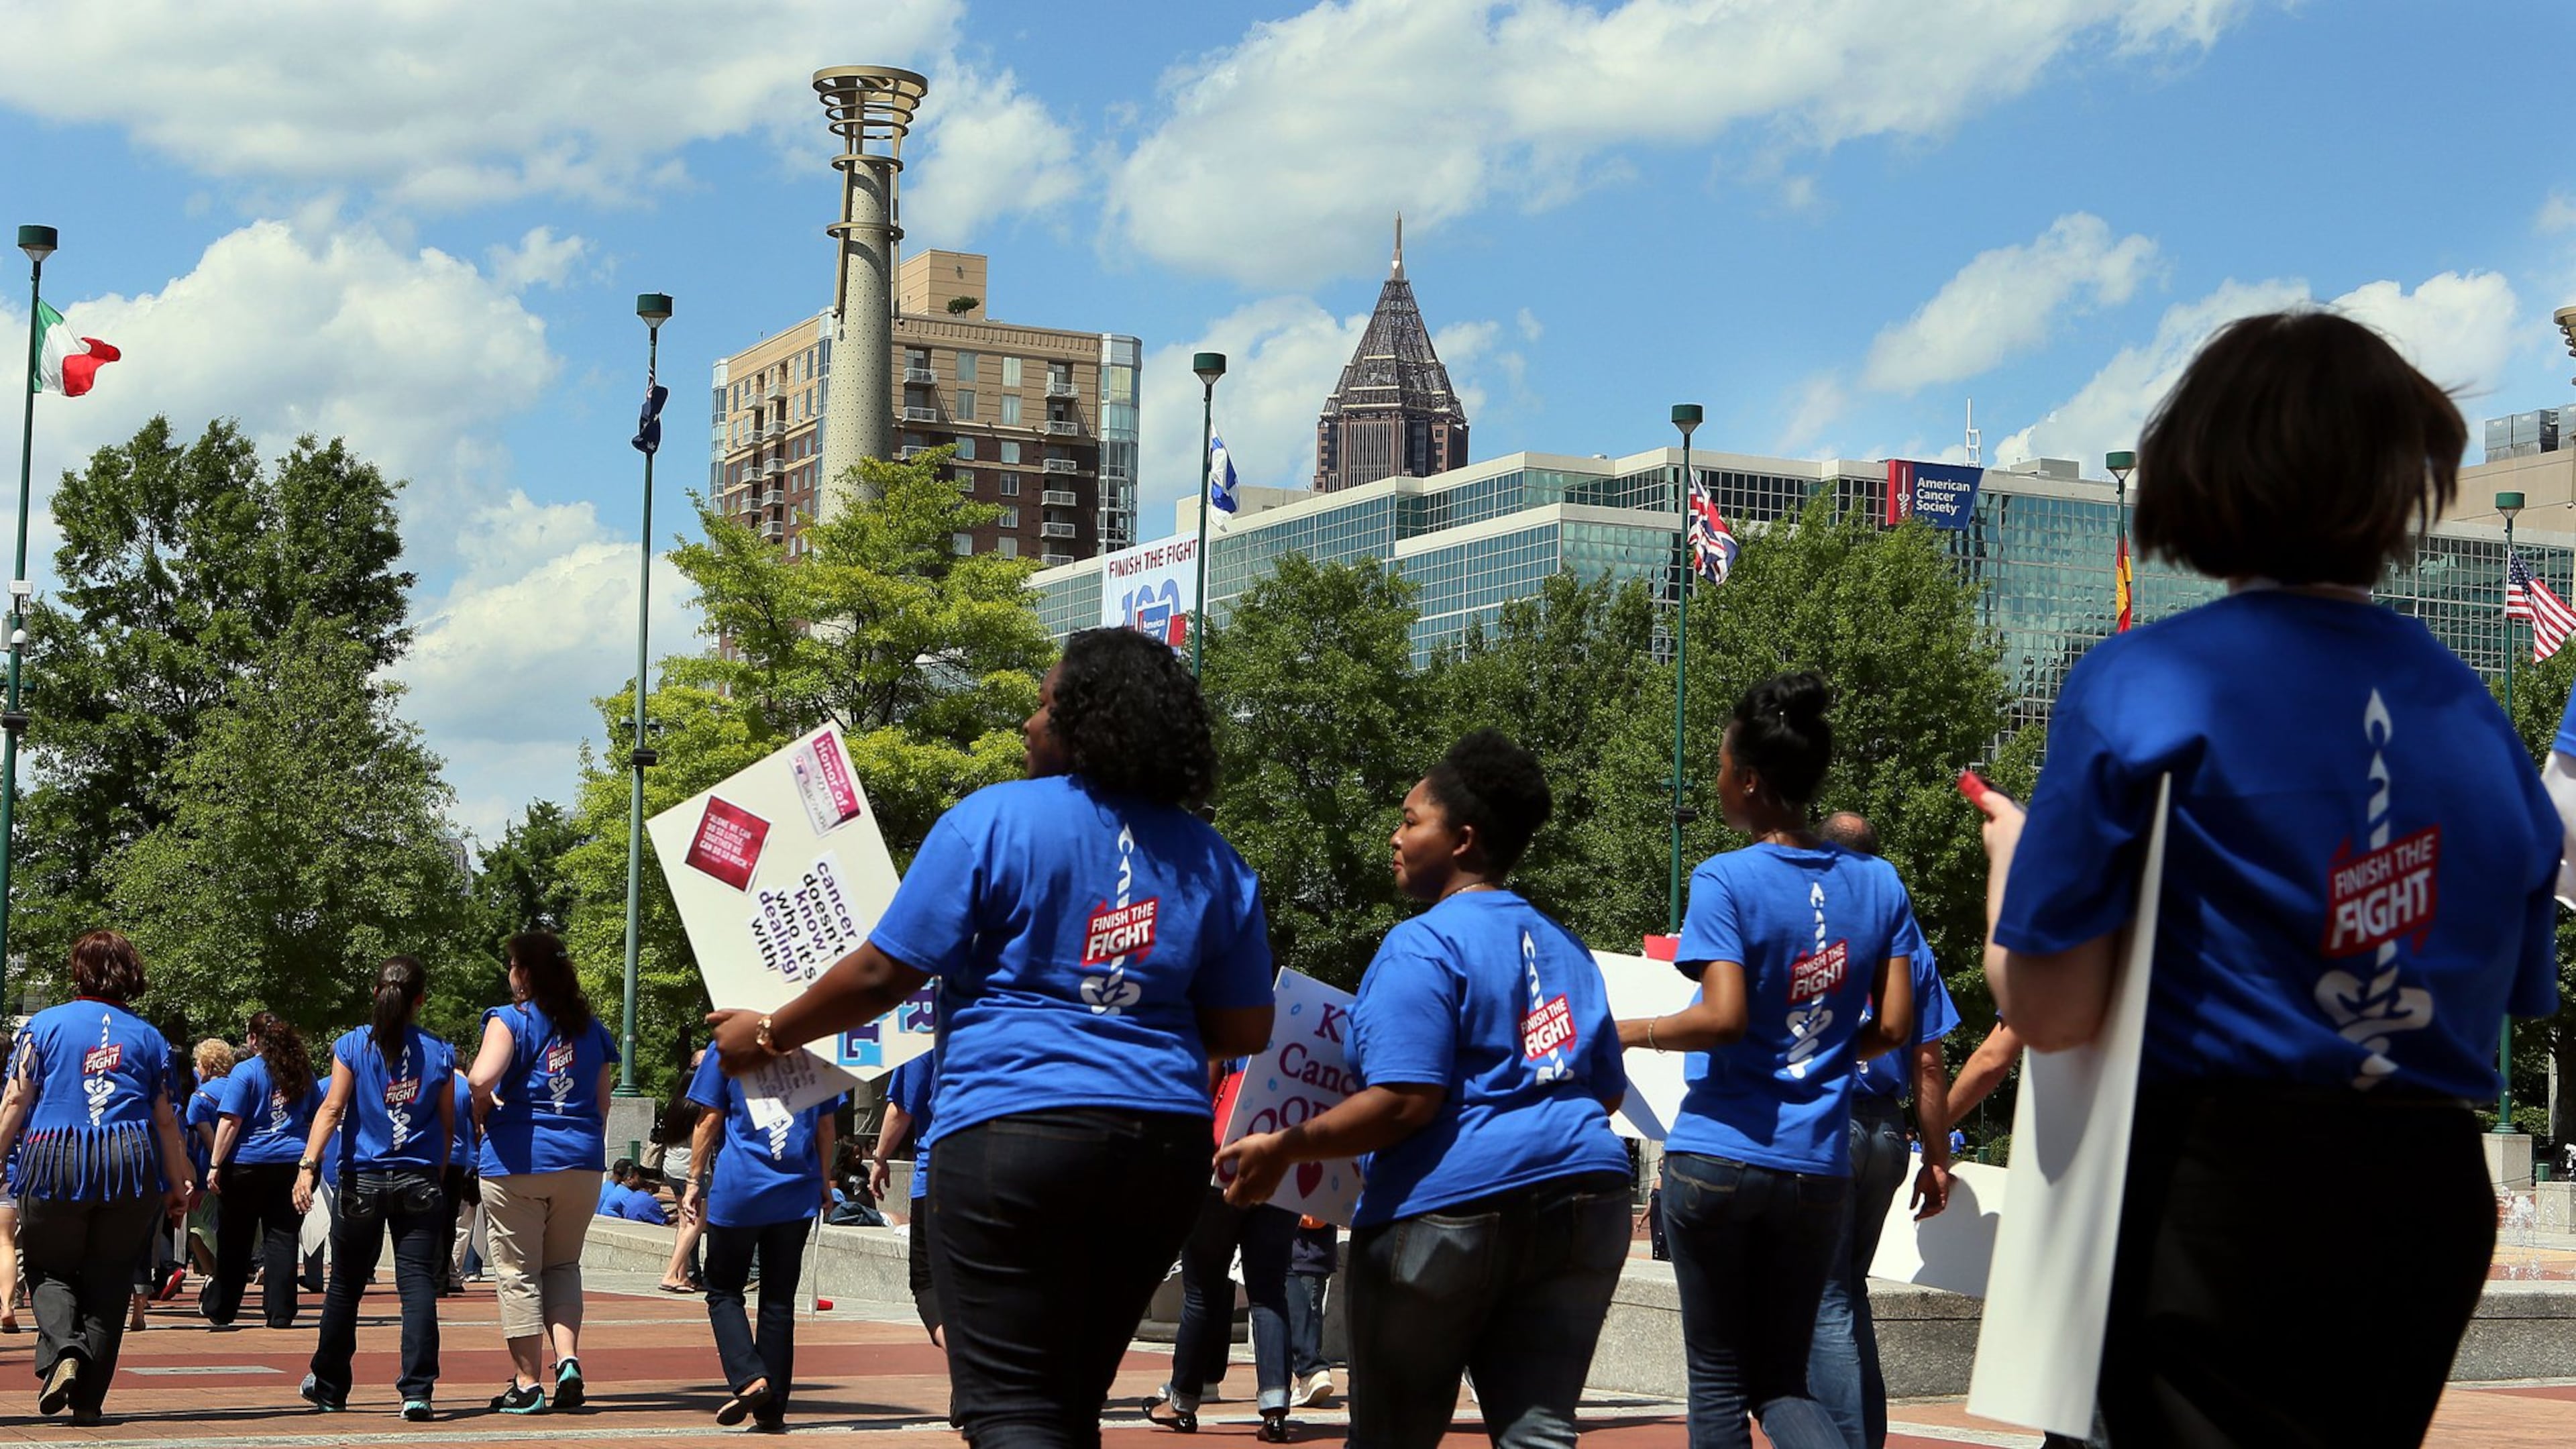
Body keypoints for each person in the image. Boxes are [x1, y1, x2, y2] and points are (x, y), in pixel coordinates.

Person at [1970, 310, 2561, 1448]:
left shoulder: (2143, 683)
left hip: (2215, 1188)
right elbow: (2510, 986)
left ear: (2207, 464)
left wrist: (2010, 870)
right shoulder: (2479, 719)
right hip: (2426, 1192)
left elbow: (2051, 1007)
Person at [708, 627, 1276, 1449]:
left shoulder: (992, 821)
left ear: (1085, 722)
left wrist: (767, 1032)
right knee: (1073, 1402)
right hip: (1161, 1151)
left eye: (1042, 706)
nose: (1027, 725)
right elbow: (1244, 1026)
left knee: (1012, 1410)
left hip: (1013, 1134)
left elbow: (881, 976)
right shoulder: (1217, 863)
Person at [1222, 729, 1633, 1449]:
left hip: (1450, 1209)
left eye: (1412, 821)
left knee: (1393, 1436)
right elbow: (1604, 1092)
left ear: (1464, 840)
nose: (1396, 835)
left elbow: (1408, 1101)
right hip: (1586, 1199)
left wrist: (1286, 1146)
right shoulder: (1567, 947)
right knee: (1538, 1430)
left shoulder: (1423, 944)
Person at [1615, 674, 1914, 1449]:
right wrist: (1814, 1054)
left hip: (1719, 1154)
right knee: (1783, 1378)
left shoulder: (1725, 877)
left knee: (1717, 1378)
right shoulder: (1879, 883)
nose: (1715, 779)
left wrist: (1625, 1030)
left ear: (1748, 780)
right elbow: (1896, 1025)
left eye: (1719, 764)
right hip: (1816, 1169)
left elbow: (1721, 1019)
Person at [1803, 810, 1960, 1449]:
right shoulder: (1907, 939)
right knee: (1848, 1292)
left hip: (1825, 1126)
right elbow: (1928, 1060)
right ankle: (1865, 1435)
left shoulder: (1810, 923)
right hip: (1887, 1136)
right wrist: (1937, 1155)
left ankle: (1843, 1442)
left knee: (1824, 1299)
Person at [0, 931, 194, 1423]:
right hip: (131, 1165)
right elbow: (166, 1120)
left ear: (78, 972)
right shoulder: (150, 1038)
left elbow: (16, 1102)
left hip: (55, 1162)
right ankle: (88, 1403)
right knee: (110, 1280)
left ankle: (64, 1349)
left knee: (48, 1266)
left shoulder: (43, 1026)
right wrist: (177, 1185)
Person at [295, 956, 456, 1419]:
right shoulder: (440, 1052)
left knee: (345, 1285)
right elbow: (447, 1126)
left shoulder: (351, 1046)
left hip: (360, 1178)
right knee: (417, 1284)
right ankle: (417, 1389)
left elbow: (332, 1109)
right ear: (420, 1000)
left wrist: (308, 1167)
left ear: (375, 994)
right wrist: (436, 1173)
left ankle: (329, 1386)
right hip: (418, 1177)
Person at [470, 930, 619, 1415]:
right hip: (581, 1162)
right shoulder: (591, 1028)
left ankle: (529, 1382)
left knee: (518, 1272)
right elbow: (602, 1103)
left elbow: (480, 1078)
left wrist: (481, 1108)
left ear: (525, 974)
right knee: (563, 1266)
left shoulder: (509, 1020)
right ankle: (569, 1360)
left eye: (512, 965)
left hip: (517, 1162)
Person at [682, 1040, 838, 1432]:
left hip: (741, 1192)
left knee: (723, 1290)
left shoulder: (728, 1047)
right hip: (795, 1194)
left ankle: (750, 1377)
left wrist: (692, 1180)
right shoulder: (816, 1050)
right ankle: (773, 1411)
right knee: (778, 1301)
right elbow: (825, 1124)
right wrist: (824, 1181)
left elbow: (709, 1116)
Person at [1149, 1063, 1297, 1440]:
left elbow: (1205, 1080)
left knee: (1201, 1292)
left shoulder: (1235, 1013)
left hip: (1226, 1156)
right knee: (1269, 1292)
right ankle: (1275, 1409)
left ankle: (1182, 1403)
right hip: (1282, 1159)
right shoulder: (1306, 1013)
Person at [207, 1010, 320, 1330]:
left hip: (247, 1164)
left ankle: (223, 1308)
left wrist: (215, 1164)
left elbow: (231, 1121)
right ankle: (281, 1311)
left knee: (235, 1238)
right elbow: (316, 1117)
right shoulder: (302, 1072)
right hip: (291, 1163)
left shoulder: (246, 1071)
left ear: (254, 1039)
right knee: (282, 1237)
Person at [872, 1046, 941, 1344]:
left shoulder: (927, 1032)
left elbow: (902, 1106)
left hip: (940, 1174)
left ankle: (970, 1365)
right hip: (1010, 1169)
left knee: (928, 1283)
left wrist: (879, 1158)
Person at [183, 1040, 234, 1277]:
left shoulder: (200, 1097)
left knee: (198, 1230)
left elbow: (207, 1136)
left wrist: (217, 1164)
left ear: (208, 1064)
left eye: (198, 1063)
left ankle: (215, 1277)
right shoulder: (240, 1088)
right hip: (242, 1167)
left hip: (208, 1172)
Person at [1284, 1217, 1337, 1409]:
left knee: (1307, 1319)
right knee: (1307, 1317)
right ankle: (1307, 1375)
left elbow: (1315, 1219)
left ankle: (1310, 1374)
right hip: (1307, 1255)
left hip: (1306, 1256)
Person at [442, 1066, 478, 1295]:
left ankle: (442, 1272)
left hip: (436, 1159)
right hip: (467, 1161)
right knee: (461, 1225)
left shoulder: (435, 1082)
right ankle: (453, 1274)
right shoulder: (468, 1089)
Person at [596, 1161, 669, 1224]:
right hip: (611, 1221)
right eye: (637, 1179)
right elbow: (633, 1209)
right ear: (629, 1179)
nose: (640, 1182)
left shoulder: (616, 1188)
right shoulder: (626, 1194)